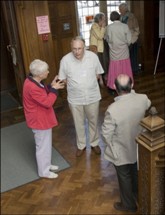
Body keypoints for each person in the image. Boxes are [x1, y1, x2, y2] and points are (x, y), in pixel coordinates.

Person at [101, 74, 151, 212]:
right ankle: (137, 193)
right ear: (132, 85)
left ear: (116, 89)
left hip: (121, 150)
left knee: (124, 176)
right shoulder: (143, 98)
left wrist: (112, 146)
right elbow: (148, 105)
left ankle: (128, 204)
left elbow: (106, 134)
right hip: (139, 144)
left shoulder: (112, 109)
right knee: (136, 171)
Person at [58, 36, 104, 157]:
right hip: (75, 98)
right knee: (78, 122)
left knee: (93, 121)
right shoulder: (65, 60)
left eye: (79, 48)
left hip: (92, 96)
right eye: (74, 49)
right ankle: (81, 145)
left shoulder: (93, 57)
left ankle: (94, 143)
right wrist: (75, 86)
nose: (77, 52)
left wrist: (88, 84)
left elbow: (98, 73)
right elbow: (62, 78)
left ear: (84, 47)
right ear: (71, 48)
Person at [23, 59, 65, 179]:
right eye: (46, 70)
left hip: (41, 118)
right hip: (39, 120)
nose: (48, 72)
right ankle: (44, 172)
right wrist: (55, 89)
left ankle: (46, 165)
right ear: (40, 74)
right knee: (42, 147)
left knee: (46, 144)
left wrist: (51, 86)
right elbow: (47, 102)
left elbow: (42, 90)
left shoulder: (32, 80)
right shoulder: (32, 86)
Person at [105, 11, 134, 94]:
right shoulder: (125, 26)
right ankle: (127, 85)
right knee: (125, 69)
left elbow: (107, 39)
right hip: (124, 51)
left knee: (114, 69)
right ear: (119, 17)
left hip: (114, 52)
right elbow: (129, 40)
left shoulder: (109, 27)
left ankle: (113, 87)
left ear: (111, 18)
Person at [119, 3, 140, 74]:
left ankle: (134, 71)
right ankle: (128, 71)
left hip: (132, 40)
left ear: (125, 9)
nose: (119, 11)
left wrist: (132, 40)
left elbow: (137, 30)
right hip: (125, 41)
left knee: (133, 56)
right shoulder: (121, 17)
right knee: (127, 57)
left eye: (120, 9)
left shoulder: (131, 17)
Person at [89, 12, 109, 86]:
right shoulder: (94, 26)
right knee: (98, 64)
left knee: (104, 63)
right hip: (95, 49)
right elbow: (100, 36)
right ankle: (100, 79)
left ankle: (104, 78)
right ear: (99, 19)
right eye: (103, 19)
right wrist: (103, 27)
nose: (105, 20)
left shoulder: (100, 26)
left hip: (101, 48)